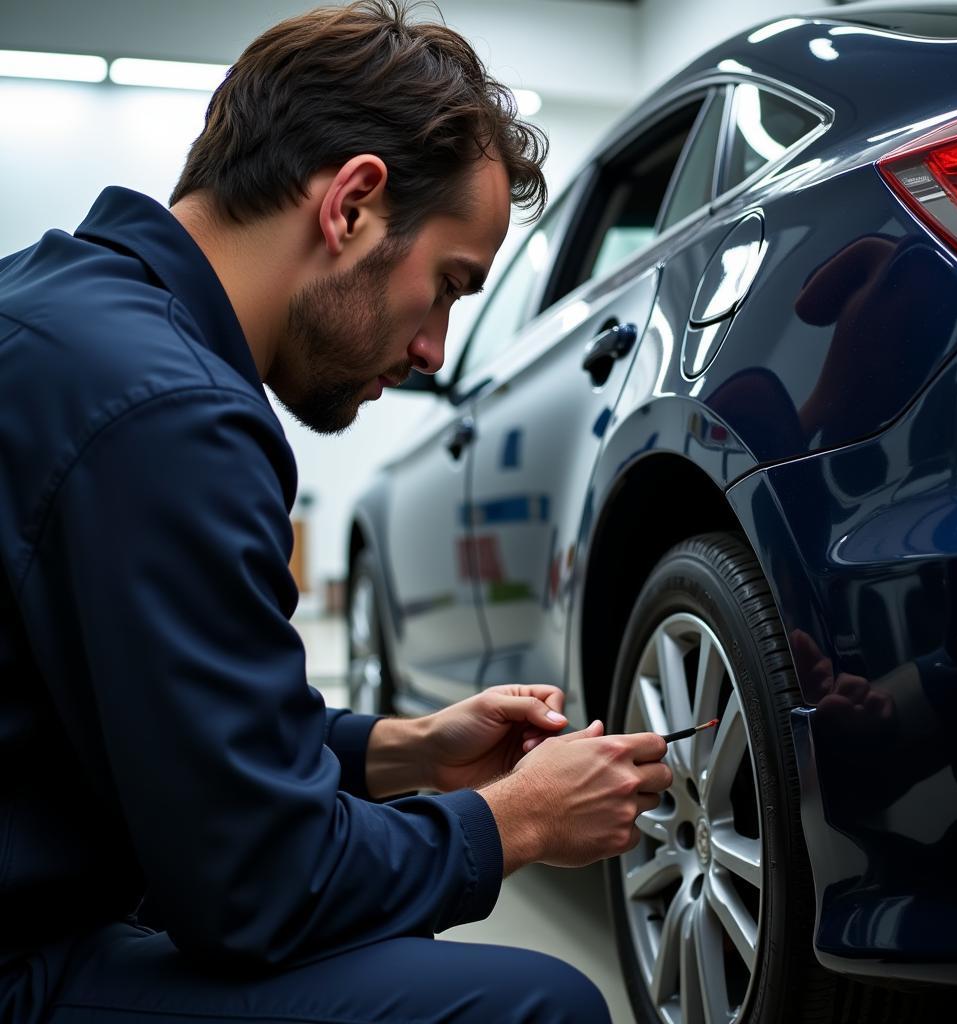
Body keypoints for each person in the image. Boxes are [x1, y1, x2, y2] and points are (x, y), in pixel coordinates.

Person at [0, 3, 673, 1021]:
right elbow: (261, 887)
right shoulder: (174, 417)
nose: (435, 352)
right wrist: (510, 823)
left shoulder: (63, 312)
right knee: (543, 1006)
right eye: (447, 286)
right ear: (351, 204)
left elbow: (163, 720)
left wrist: (400, 749)